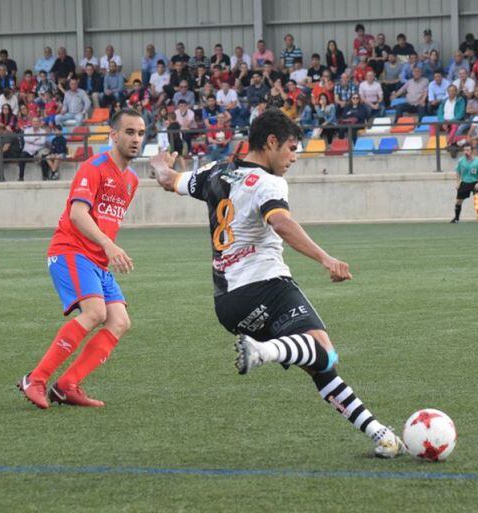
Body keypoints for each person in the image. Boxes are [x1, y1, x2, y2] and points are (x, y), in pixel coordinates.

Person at [149, 109, 407, 459]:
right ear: (270, 142)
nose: (294, 156)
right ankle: (263, 351)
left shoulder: (215, 171)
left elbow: (169, 180)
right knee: (325, 353)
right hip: (267, 286)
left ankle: (380, 435)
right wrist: (325, 258)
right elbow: (281, 222)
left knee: (318, 362)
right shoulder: (269, 183)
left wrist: (159, 164)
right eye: (290, 148)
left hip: (228, 305)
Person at [17, 109, 144, 409]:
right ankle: (35, 379)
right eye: (129, 132)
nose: (136, 138)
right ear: (113, 135)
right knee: (95, 312)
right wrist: (109, 246)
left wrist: (106, 249)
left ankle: (66, 385)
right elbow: (77, 214)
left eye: (140, 133)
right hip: (70, 250)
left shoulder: (132, 180)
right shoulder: (94, 167)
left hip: (97, 259)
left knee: (119, 321)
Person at [451, 144, 478, 223]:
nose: (466, 152)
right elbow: (457, 172)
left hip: (475, 182)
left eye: (468, 150)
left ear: (472, 151)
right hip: (465, 182)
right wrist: (458, 182)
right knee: (458, 201)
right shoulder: (461, 161)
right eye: (465, 150)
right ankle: (456, 218)